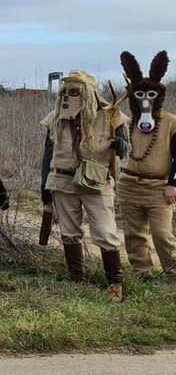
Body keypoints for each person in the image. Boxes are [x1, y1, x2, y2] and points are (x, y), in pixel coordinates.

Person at [41, 69, 130, 302]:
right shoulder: (55, 116)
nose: (70, 95)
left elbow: (126, 149)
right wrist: (44, 186)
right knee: (69, 232)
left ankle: (115, 282)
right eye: (67, 90)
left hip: (96, 179)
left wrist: (120, 145)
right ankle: (76, 277)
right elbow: (47, 152)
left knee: (105, 231)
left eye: (76, 90)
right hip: (62, 179)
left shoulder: (110, 115)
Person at [118, 50, 176, 280]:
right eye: (140, 94)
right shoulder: (127, 121)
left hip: (159, 189)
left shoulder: (171, 121)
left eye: (150, 94)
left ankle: (173, 273)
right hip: (130, 185)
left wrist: (173, 183)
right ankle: (143, 274)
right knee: (133, 234)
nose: (145, 99)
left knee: (162, 234)